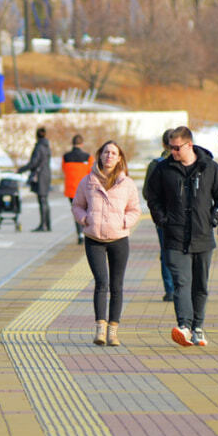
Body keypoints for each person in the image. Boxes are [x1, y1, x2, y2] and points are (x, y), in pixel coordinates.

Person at [145, 125, 218, 347]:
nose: (172, 152)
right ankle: (184, 326)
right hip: (174, 237)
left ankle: (198, 328)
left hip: (202, 236)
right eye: (170, 148)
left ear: (189, 145)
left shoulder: (209, 168)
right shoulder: (164, 170)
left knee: (200, 285)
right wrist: (162, 220)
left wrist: (213, 219)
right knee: (181, 282)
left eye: (176, 148)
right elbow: (151, 196)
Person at [72, 141, 141, 346]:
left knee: (117, 285)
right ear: (100, 155)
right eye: (106, 152)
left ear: (119, 158)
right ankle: (100, 330)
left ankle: (113, 331)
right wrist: (85, 219)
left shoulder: (127, 183)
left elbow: (135, 209)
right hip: (94, 240)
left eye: (114, 153)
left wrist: (124, 222)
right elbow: (77, 205)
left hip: (119, 239)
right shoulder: (87, 181)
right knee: (101, 282)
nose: (109, 156)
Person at [143, 130, 176, 302]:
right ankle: (182, 287)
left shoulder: (155, 164)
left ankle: (170, 290)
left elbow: (146, 193)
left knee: (165, 252)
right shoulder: (186, 162)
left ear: (163, 144)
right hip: (183, 217)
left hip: (162, 218)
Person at [18, 126, 53, 231]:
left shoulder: (39, 147)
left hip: (40, 175)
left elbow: (34, 163)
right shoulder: (47, 146)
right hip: (47, 174)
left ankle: (43, 225)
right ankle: (47, 224)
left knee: (42, 200)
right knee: (45, 200)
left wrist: (21, 169)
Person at [62, 134, 93, 245]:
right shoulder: (88, 157)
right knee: (86, 210)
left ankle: (79, 234)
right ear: (82, 144)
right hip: (84, 189)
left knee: (76, 211)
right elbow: (91, 173)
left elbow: (64, 170)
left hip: (71, 189)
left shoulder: (65, 157)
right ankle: (87, 232)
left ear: (72, 143)